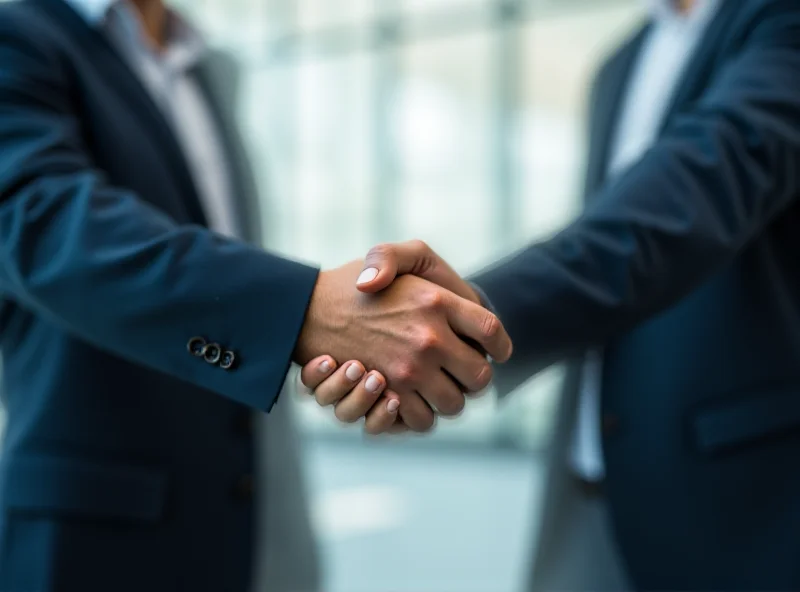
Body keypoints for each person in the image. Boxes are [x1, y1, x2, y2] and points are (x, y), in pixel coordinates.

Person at [0, 0, 513, 590]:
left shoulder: (207, 65)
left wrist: (343, 351)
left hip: (253, 524)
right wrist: (306, 312)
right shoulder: (17, 30)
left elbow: (224, 278)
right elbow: (45, 224)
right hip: (93, 543)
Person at [303, 0, 800, 589]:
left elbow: (670, 215)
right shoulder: (621, 61)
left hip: (735, 500)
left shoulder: (780, 24)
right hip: (591, 477)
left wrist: (465, 319)